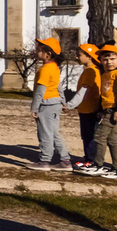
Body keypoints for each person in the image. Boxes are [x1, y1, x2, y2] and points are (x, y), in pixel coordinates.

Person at [28, 37, 72, 171]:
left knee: (45, 134)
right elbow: (59, 87)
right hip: (55, 103)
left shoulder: (45, 69)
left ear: (48, 54)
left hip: (46, 105)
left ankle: (45, 161)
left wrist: (34, 108)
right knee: (53, 133)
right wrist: (63, 101)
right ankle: (65, 161)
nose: (37, 50)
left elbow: (40, 91)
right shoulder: (54, 68)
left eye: (39, 49)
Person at [78, 44, 117, 177]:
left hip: (113, 110)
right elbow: (104, 94)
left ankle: (97, 164)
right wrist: (101, 109)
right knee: (112, 140)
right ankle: (115, 168)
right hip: (107, 110)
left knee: (99, 137)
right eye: (105, 59)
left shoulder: (116, 74)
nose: (109, 62)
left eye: (112, 59)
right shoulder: (106, 74)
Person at [67, 44, 101, 168]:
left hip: (90, 110)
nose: (77, 56)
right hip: (86, 109)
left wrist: (70, 105)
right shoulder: (89, 70)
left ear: (89, 57)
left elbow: (83, 91)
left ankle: (91, 160)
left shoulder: (91, 71)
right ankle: (88, 157)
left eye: (80, 54)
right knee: (86, 135)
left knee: (89, 135)